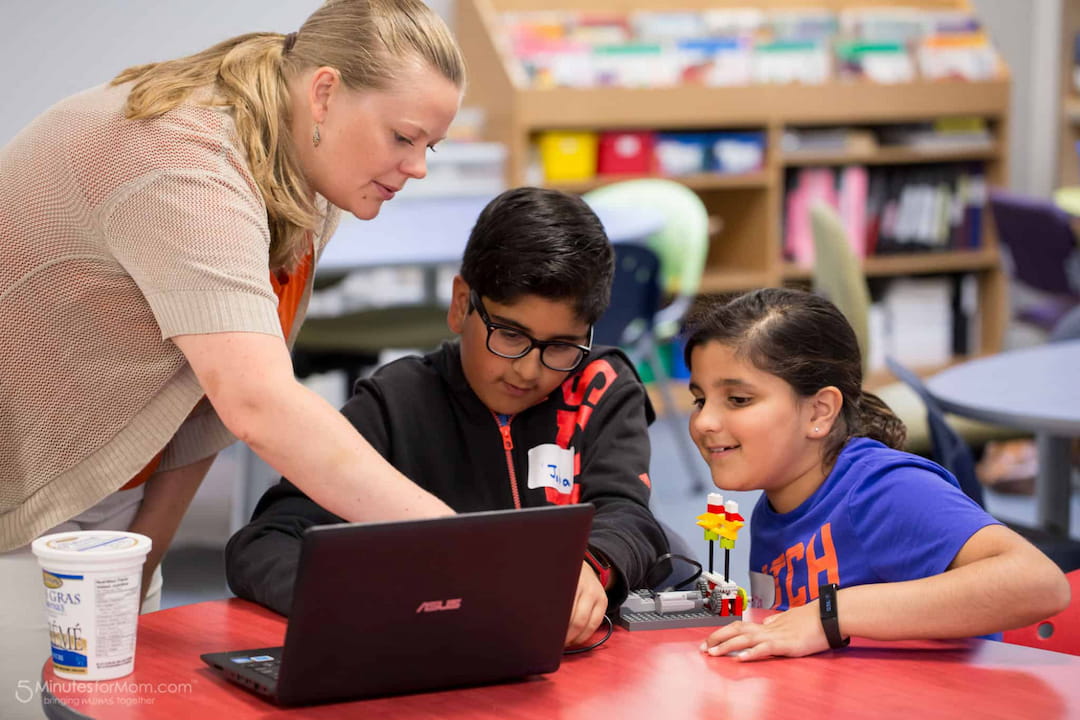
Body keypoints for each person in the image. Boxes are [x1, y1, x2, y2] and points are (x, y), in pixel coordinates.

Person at [0, 2, 463, 716]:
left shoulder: (306, 173)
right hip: (25, 494)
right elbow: (260, 404)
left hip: (105, 490)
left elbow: (205, 397)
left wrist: (141, 556)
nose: (419, 166)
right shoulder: (188, 165)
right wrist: (462, 549)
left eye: (432, 145)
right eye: (404, 137)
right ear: (324, 93)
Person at [226, 187, 669, 646]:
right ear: (461, 304)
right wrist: (373, 600)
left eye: (560, 346)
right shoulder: (395, 403)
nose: (528, 369)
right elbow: (263, 544)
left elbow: (630, 517)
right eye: (510, 335)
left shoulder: (599, 384)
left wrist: (594, 566)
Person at [684, 288, 1070, 661]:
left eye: (738, 400)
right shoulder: (778, 500)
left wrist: (832, 613)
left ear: (820, 412)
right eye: (700, 399)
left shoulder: (882, 489)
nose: (704, 421)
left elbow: (1039, 584)